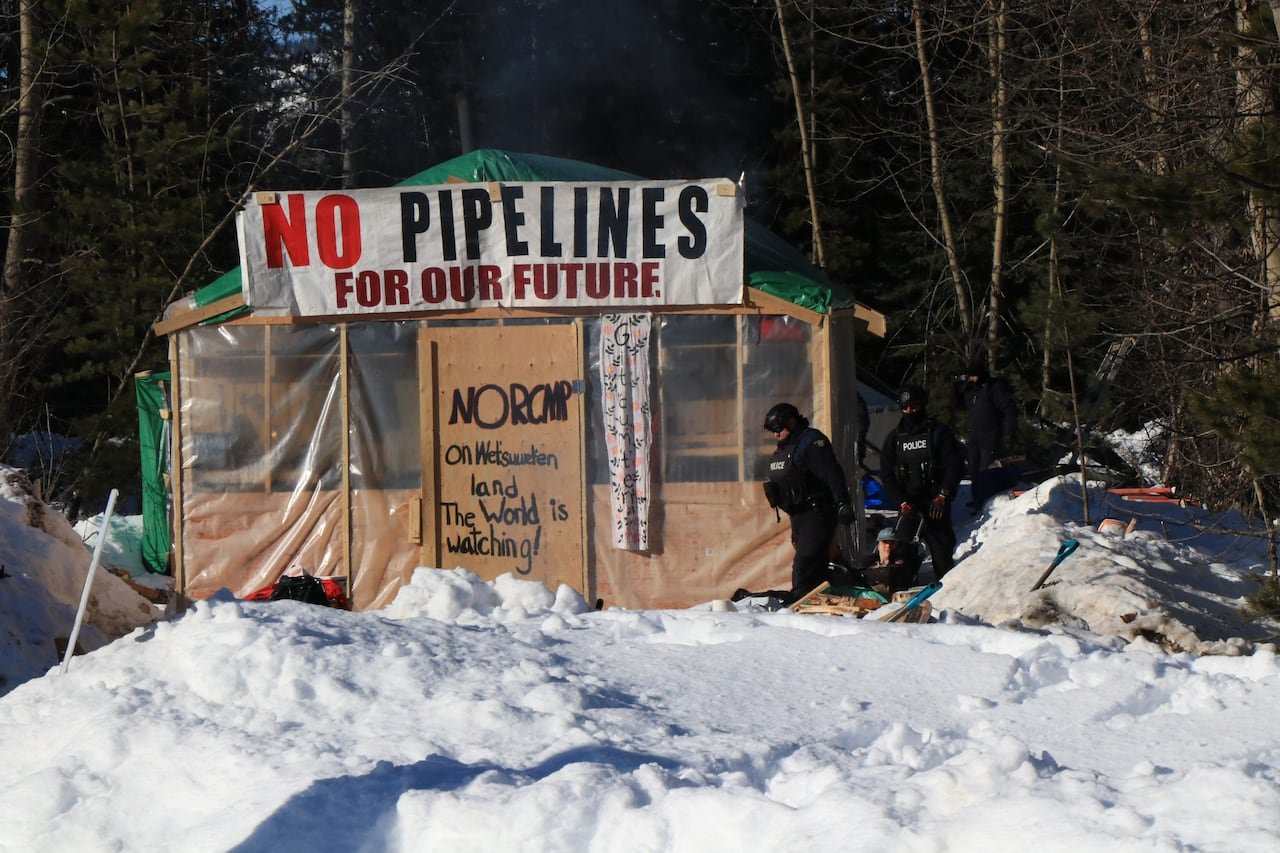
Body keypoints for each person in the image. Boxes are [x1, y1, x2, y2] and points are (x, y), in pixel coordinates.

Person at [761, 402, 856, 601]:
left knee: (805, 564)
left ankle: (799, 607)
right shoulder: (785, 447)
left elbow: (832, 473)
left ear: (791, 421)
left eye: (778, 429)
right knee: (813, 566)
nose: (776, 435)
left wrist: (842, 503)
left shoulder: (811, 442)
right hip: (799, 516)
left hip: (817, 512)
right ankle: (817, 602)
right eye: (773, 431)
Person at [879, 385, 964, 579]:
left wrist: (943, 495)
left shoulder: (938, 432)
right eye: (905, 407)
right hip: (909, 504)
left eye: (914, 407)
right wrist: (901, 501)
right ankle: (901, 590)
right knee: (901, 551)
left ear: (922, 406)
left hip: (935, 502)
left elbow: (954, 466)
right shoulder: (895, 438)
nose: (909, 411)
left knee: (941, 549)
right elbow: (887, 474)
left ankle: (946, 588)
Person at [951, 359, 1018, 506]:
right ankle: (977, 499)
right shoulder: (971, 390)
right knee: (974, 470)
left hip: (991, 436)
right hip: (974, 436)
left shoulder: (994, 388)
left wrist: (1008, 432)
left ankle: (986, 501)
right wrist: (955, 391)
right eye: (970, 377)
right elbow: (960, 406)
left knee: (986, 470)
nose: (971, 379)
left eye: (974, 376)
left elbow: (1008, 409)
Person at [860, 527, 920, 596]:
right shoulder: (869, 561)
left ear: (898, 545)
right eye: (885, 542)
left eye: (892, 543)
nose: (888, 546)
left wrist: (864, 574)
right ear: (878, 545)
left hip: (894, 597)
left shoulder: (903, 561)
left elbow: (889, 574)